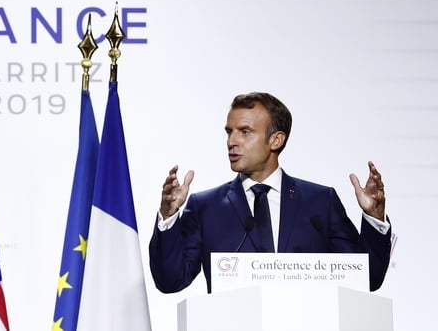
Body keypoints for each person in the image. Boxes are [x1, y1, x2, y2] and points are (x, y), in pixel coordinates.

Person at [149, 92, 391, 293]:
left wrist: (374, 217)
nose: (231, 141)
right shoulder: (205, 207)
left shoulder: (319, 202)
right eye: (228, 131)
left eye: (244, 132)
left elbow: (367, 279)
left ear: (276, 140)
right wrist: (168, 217)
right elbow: (171, 281)